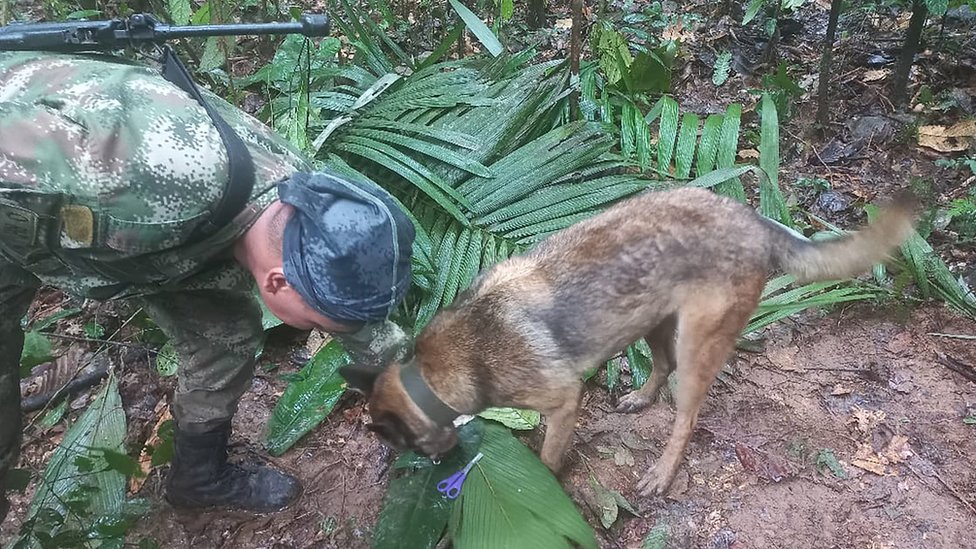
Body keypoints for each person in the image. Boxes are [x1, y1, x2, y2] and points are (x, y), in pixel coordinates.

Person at [0, 49, 416, 522]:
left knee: (225, 336)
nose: (329, 329)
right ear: (278, 281)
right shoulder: (142, 189)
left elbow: (351, 315)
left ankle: (197, 477)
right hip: (23, 200)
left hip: (142, 237)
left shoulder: (304, 204)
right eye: (318, 324)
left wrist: (420, 390)